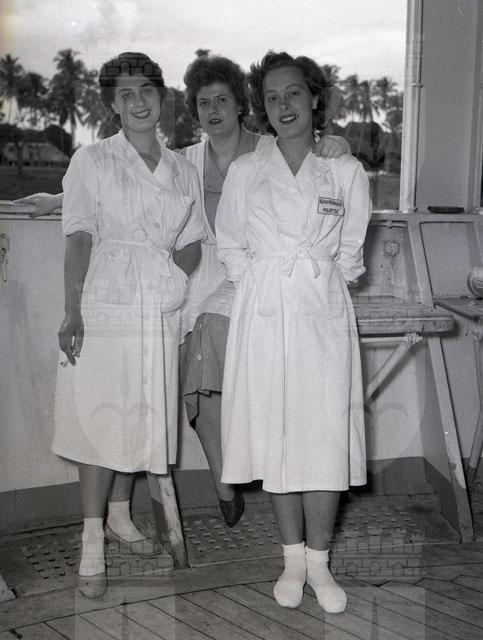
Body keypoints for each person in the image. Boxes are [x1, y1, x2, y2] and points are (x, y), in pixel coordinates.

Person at [18, 55, 350, 530]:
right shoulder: (188, 159)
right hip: (185, 281)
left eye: (223, 101)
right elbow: (125, 189)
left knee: (200, 354)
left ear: (241, 105)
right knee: (151, 377)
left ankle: (220, 479)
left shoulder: (265, 150)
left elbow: (312, 166)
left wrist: (335, 143)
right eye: (203, 103)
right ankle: (129, 507)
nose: (213, 111)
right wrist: (57, 198)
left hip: (243, 275)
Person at [216, 51, 371, 612]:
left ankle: (320, 564)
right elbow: (231, 244)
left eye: (294, 94)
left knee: (324, 434)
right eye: (272, 97)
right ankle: (291, 560)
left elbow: (350, 253)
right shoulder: (245, 170)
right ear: (262, 106)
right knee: (276, 432)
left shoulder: (345, 171)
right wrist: (263, 287)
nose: (284, 105)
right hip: (263, 311)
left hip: (321, 309)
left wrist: (315, 284)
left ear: (314, 99)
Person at [52, 52, 205, 599]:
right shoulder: (92, 160)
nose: (138, 102)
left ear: (161, 97)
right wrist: (72, 309)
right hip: (106, 298)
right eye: (126, 94)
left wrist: (170, 279)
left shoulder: (182, 169)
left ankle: (121, 515)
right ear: (113, 105)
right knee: (100, 416)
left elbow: (192, 242)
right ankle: (92, 536)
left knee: (141, 413)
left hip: (157, 303)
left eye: (147, 91)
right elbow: (79, 237)